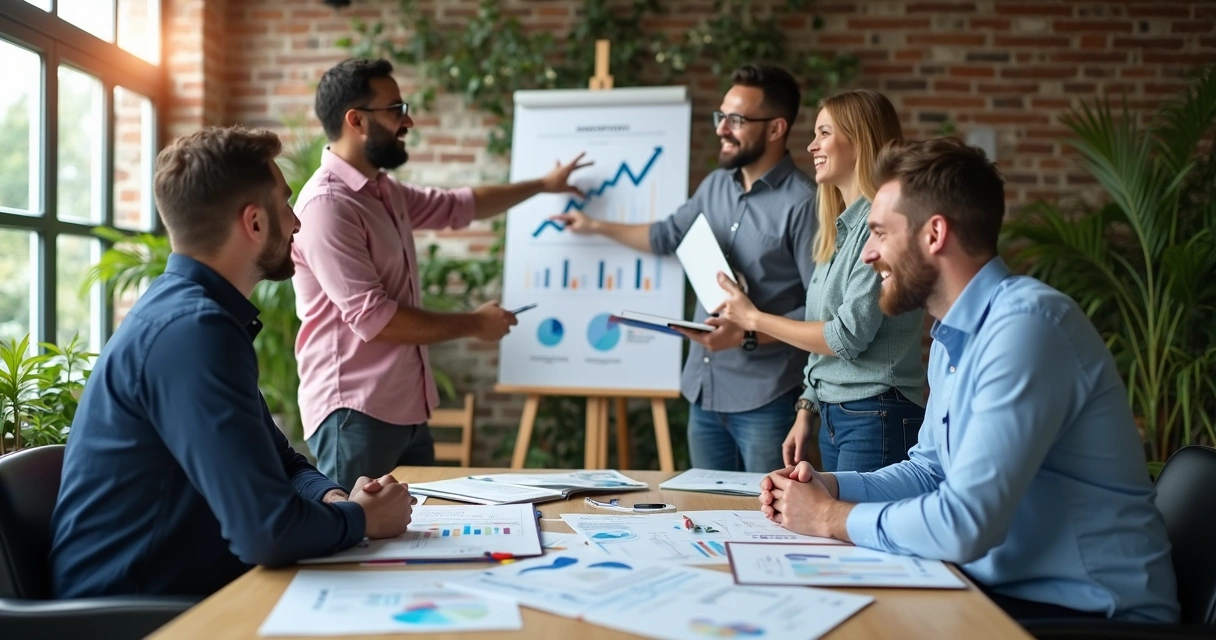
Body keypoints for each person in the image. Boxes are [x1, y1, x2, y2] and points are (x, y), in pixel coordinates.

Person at [759, 137, 1180, 622]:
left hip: (1090, 614)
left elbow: (965, 523)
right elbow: (929, 472)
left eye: (878, 233)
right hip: (1003, 594)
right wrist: (832, 487)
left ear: (934, 234)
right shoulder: (952, 335)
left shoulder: (1027, 326)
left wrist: (830, 518)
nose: (868, 254)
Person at [48, 126, 413, 599]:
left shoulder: (196, 315)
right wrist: (362, 519)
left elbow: (281, 460)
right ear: (254, 223)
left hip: (182, 591)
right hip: (133, 613)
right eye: (286, 204)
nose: (298, 222)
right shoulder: (192, 331)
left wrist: (333, 497)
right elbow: (267, 532)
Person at [293, 58, 591, 490]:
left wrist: (543, 185)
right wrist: (475, 323)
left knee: (416, 540)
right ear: (355, 120)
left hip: (406, 409)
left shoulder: (383, 191)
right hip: (356, 414)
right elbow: (376, 319)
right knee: (352, 548)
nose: (408, 120)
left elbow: (460, 205)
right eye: (396, 109)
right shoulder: (328, 207)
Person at [551, 64, 818, 473]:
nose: (721, 129)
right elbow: (665, 236)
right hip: (703, 393)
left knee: (767, 521)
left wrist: (748, 332)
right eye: (721, 116)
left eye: (736, 120)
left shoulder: (804, 204)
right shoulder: (714, 185)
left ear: (776, 128)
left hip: (765, 402)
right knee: (709, 515)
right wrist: (593, 225)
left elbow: (819, 315)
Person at [715, 89, 926, 473]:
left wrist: (754, 319)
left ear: (861, 141)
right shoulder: (839, 229)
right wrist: (807, 409)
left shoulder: (881, 228)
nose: (811, 146)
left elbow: (845, 337)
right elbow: (822, 333)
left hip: (875, 412)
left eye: (824, 133)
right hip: (839, 415)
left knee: (854, 533)